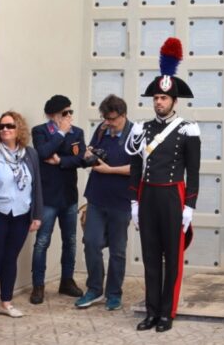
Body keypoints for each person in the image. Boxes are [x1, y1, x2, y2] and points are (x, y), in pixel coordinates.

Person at [127, 38, 200, 333]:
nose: (159, 102)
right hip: (148, 196)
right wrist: (133, 202)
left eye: (164, 98)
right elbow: (134, 167)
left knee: (172, 258)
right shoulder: (140, 129)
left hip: (173, 195)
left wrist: (189, 207)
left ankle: (168, 312)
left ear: (174, 101)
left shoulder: (188, 128)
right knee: (150, 257)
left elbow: (193, 171)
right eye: (156, 97)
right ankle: (152, 311)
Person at [0, 111, 43, 323]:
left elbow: (37, 186)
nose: (5, 129)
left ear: (19, 129)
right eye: (2, 126)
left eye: (10, 126)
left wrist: (37, 214)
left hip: (22, 214)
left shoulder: (30, 154)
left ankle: (6, 302)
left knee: (10, 259)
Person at [75, 94, 135, 311]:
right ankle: (94, 289)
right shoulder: (101, 130)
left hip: (121, 200)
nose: (108, 123)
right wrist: (89, 154)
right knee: (91, 243)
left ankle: (114, 294)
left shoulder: (135, 134)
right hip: (97, 197)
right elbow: (91, 152)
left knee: (118, 250)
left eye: (112, 119)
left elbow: (139, 168)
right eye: (105, 118)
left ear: (123, 115)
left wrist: (111, 170)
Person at [30, 94, 86, 303]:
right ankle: (38, 285)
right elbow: (42, 151)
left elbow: (81, 158)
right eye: (65, 113)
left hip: (69, 196)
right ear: (52, 115)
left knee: (70, 241)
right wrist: (61, 133)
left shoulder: (78, 132)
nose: (69, 116)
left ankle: (67, 281)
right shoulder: (40, 131)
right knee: (42, 242)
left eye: (71, 112)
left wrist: (60, 160)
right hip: (47, 197)